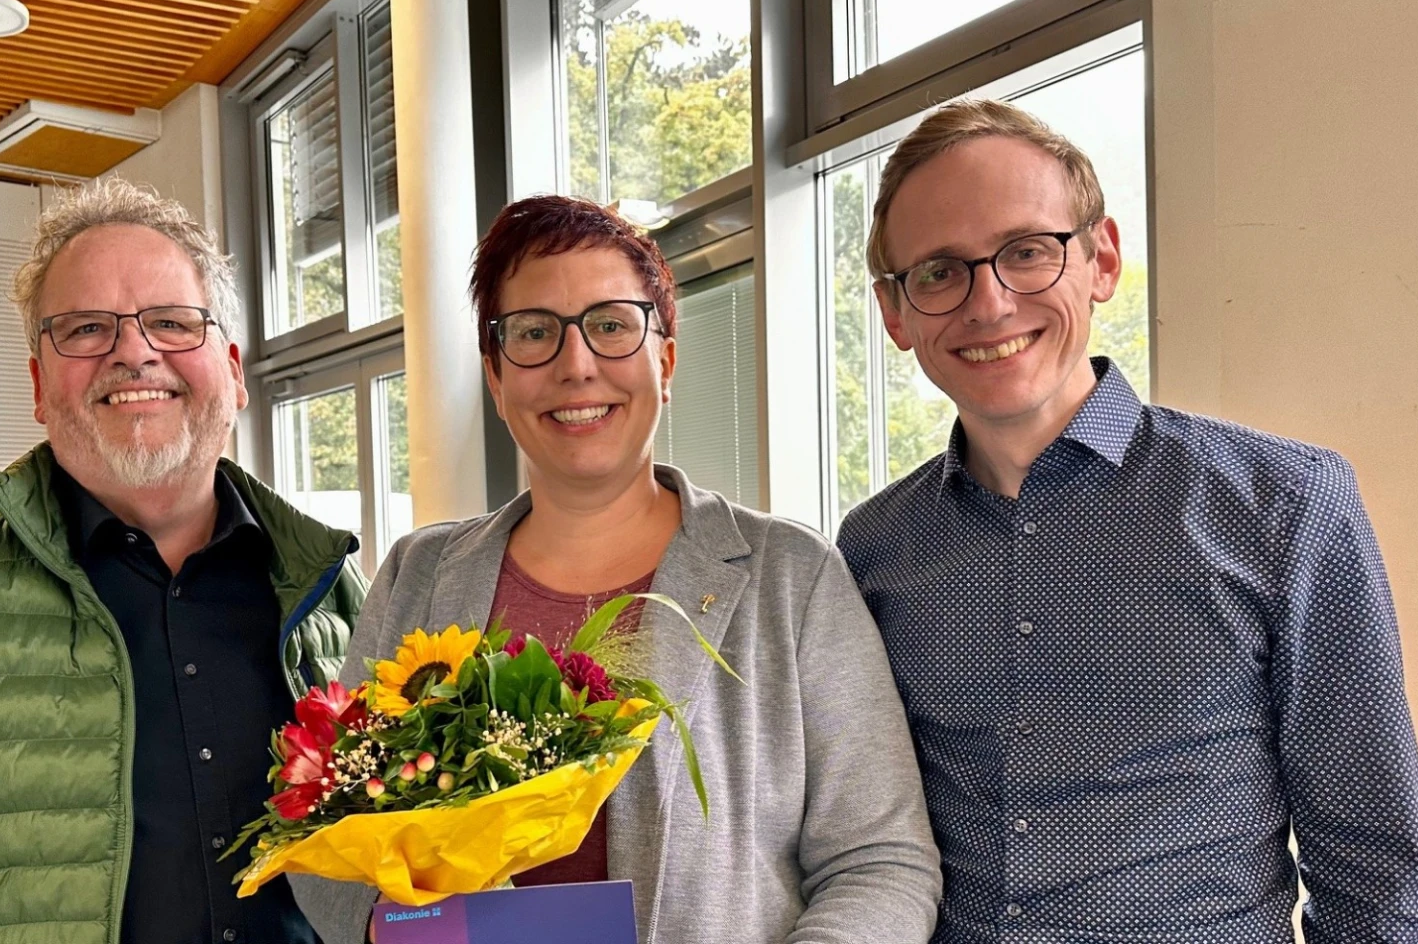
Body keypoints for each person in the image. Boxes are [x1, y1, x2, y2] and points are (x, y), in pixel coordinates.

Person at [836, 99, 1418, 943]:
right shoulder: (871, 552)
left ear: (1102, 260)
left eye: (1027, 252)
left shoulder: (1284, 505)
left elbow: (1371, 869)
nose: (989, 302)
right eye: (939, 271)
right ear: (896, 314)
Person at [293, 195, 941, 943]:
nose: (577, 366)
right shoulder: (420, 572)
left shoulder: (791, 578)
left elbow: (881, 860)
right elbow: (326, 834)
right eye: (534, 333)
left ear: (664, 361)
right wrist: (393, 928)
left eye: (610, 326)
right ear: (497, 377)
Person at [0, 178, 367, 944]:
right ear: (38, 385)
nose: (134, 351)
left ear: (232, 370)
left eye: (170, 322)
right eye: (87, 329)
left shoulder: (331, 591)